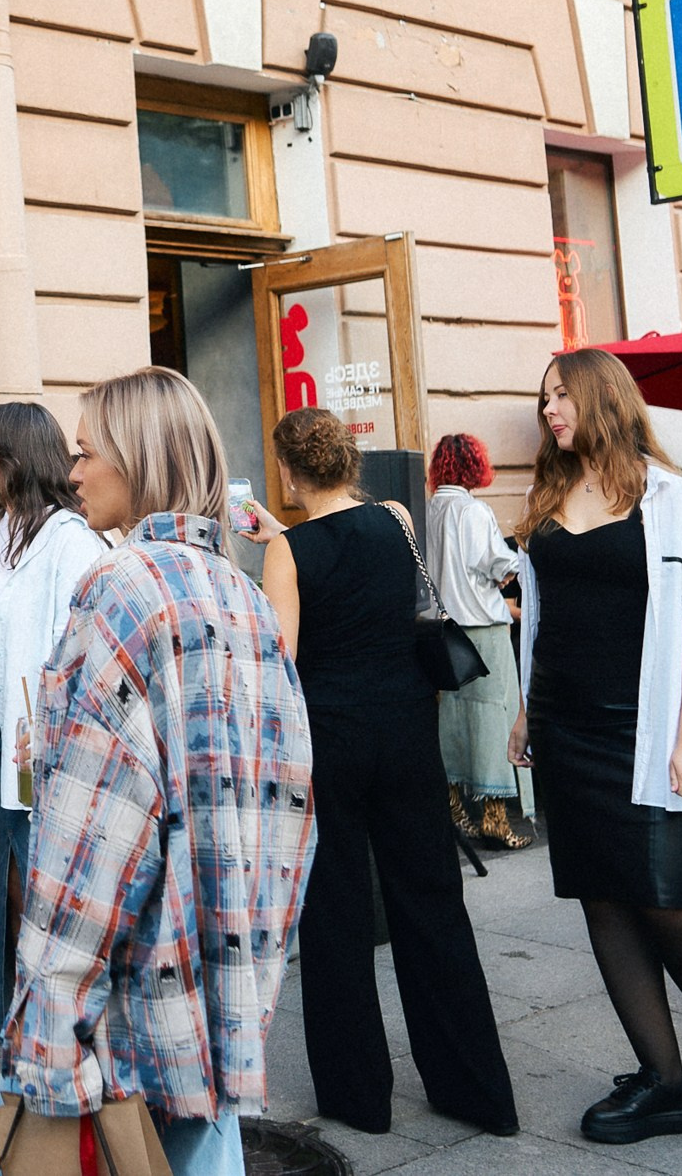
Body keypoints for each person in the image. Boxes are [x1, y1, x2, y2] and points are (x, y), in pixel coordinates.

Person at [5, 367, 313, 1176]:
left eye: (85, 451)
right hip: (222, 993)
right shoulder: (242, 594)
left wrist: (48, 1025)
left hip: (132, 1011)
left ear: (136, 457)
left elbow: (89, 843)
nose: (72, 472)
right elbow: (289, 809)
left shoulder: (118, 589)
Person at [507, 348, 682, 1148]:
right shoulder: (548, 491)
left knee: (668, 898)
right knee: (604, 899)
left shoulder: (673, 497)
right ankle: (663, 1081)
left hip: (648, 729)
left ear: (602, 397)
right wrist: (524, 711)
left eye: (561, 395)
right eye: (544, 397)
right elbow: (542, 613)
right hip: (565, 724)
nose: (550, 410)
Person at [249, 409, 517, 1138]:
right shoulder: (397, 517)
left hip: (330, 745)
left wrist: (277, 548)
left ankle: (359, 1096)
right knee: (432, 906)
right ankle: (476, 1090)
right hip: (406, 736)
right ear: (349, 460)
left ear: (291, 471)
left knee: (335, 916)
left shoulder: (289, 552)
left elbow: (284, 660)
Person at [0, 400, 107, 1045]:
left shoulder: (71, 539)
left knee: (38, 881)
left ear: (13, 453)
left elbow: (78, 647)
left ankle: (54, 1036)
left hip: (32, 731)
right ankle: (12, 1038)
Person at [419, 432, 527, 849]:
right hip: (483, 630)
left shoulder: (428, 509)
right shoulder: (474, 511)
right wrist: (522, 557)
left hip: (445, 632)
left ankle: (455, 810)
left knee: (452, 724)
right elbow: (502, 566)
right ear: (474, 467)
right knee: (492, 721)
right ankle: (495, 820)